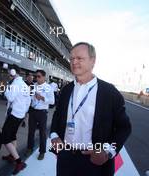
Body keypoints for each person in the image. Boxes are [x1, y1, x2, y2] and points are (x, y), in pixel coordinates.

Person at [50, 42, 131, 176]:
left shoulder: (109, 92)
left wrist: (108, 152)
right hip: (65, 157)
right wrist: (54, 136)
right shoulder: (66, 90)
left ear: (93, 61)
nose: (74, 61)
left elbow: (124, 127)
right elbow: (57, 116)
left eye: (79, 58)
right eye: (72, 58)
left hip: (95, 162)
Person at [1, 65, 31, 175]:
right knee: (12, 135)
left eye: (9, 73)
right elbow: (28, 101)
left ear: (13, 72)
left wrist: (5, 89)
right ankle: (12, 155)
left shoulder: (15, 84)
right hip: (20, 115)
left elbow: (10, 98)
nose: (8, 75)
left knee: (5, 138)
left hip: (14, 115)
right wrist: (24, 113)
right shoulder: (24, 84)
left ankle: (19, 162)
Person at [25, 70, 55, 160]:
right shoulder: (34, 86)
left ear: (44, 77)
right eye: (36, 76)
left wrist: (42, 98)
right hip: (33, 111)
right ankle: (29, 148)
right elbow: (30, 98)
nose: (36, 78)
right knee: (31, 131)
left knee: (42, 133)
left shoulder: (48, 87)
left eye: (39, 76)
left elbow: (52, 101)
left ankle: (42, 152)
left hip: (42, 113)